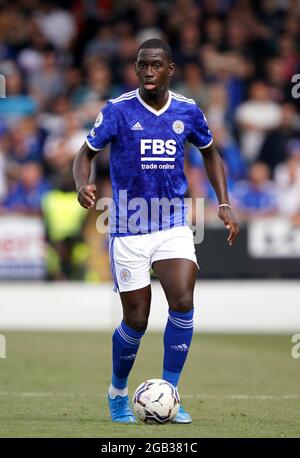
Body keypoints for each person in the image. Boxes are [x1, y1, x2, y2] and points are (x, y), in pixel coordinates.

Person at [73, 39, 239, 424]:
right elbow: (85, 155)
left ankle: (170, 393)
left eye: (156, 65)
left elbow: (210, 151)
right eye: (142, 65)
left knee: (182, 300)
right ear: (136, 68)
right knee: (137, 319)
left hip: (173, 222)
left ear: (170, 69)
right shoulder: (116, 111)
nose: (148, 72)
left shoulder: (187, 110)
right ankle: (117, 392)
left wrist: (225, 202)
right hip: (128, 228)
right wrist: (84, 183)